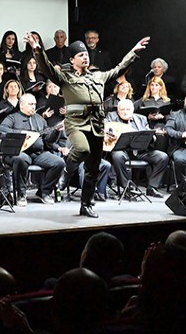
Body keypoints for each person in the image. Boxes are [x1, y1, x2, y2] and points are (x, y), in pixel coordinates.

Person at [26, 33, 150, 218]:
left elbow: (118, 69)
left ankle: (86, 204)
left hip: (97, 124)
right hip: (75, 122)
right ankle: (66, 172)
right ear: (72, 59)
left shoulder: (98, 76)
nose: (85, 57)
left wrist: (133, 52)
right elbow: (47, 68)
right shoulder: (65, 77)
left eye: (86, 54)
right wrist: (37, 50)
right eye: (80, 55)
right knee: (82, 150)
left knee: (93, 167)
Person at [0, 94, 65, 206]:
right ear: (22, 105)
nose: (33, 107)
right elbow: (0, 129)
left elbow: (48, 140)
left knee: (59, 163)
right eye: (30, 104)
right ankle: (21, 194)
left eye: (34, 104)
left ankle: (44, 192)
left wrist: (56, 131)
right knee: (20, 159)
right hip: (21, 152)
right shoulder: (13, 117)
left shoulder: (40, 119)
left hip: (38, 154)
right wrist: (21, 133)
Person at [105, 99, 168, 197]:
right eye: (122, 110)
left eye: (128, 109)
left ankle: (152, 187)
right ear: (118, 110)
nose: (125, 112)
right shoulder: (111, 117)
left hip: (140, 151)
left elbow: (150, 134)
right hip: (122, 151)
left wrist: (151, 137)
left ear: (133, 110)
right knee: (117, 156)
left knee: (162, 157)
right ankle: (126, 187)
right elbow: (105, 130)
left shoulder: (141, 118)